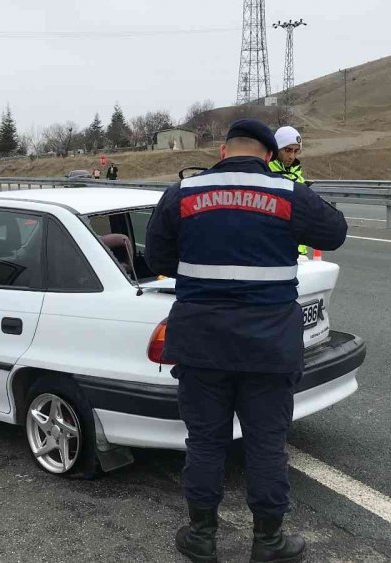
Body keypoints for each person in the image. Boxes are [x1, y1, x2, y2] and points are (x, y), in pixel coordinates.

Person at [145, 119, 348, 563]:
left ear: (223, 151)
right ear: (271, 155)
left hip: (201, 341)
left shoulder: (183, 193)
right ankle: (268, 541)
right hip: (268, 345)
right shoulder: (287, 193)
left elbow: (155, 257)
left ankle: (201, 536)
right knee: (266, 442)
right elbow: (335, 232)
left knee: (204, 441)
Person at [270, 126, 309, 257]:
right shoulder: (265, 173)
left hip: (298, 251)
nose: (292, 156)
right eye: (288, 150)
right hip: (274, 249)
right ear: (277, 149)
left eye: (296, 151)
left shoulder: (298, 177)